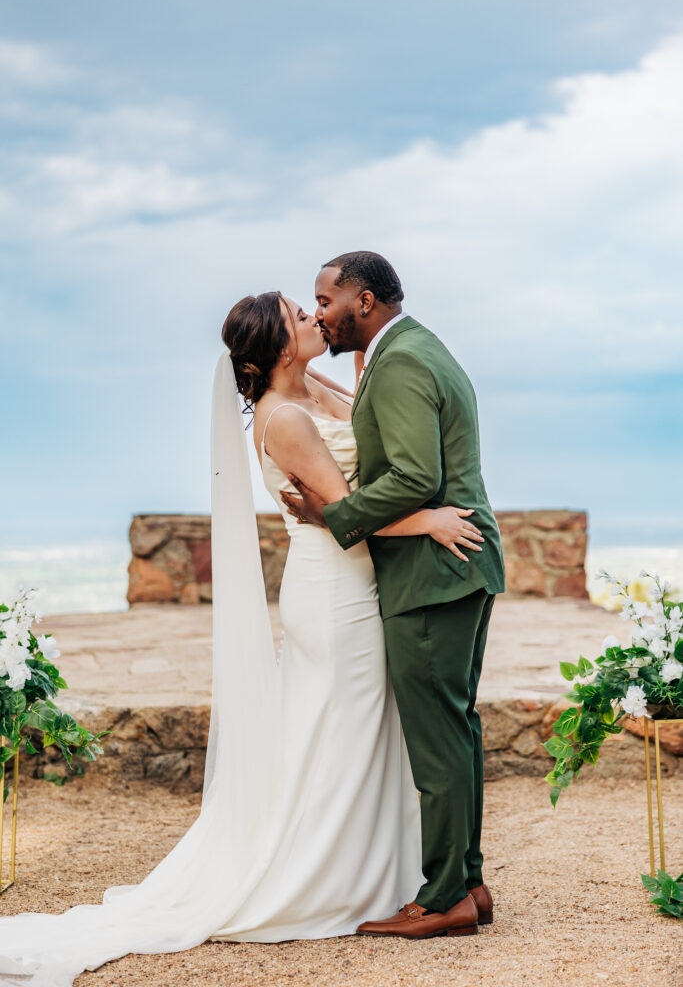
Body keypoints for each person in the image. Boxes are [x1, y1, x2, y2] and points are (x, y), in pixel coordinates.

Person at [0, 288, 484, 987]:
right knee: (340, 730)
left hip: (354, 584)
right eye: (300, 315)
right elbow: (344, 512)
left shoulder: (313, 384)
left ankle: (376, 870)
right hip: (333, 591)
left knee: (349, 731)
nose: (315, 318)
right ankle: (320, 877)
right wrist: (430, 522)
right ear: (279, 346)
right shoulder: (283, 418)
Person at [282, 251, 506, 940]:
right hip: (450, 568)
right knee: (454, 730)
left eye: (325, 301)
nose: (318, 312)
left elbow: (413, 476)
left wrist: (334, 517)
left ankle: (444, 899)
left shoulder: (402, 361)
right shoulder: (408, 349)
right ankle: (465, 882)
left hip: (432, 574)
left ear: (366, 301)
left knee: (437, 742)